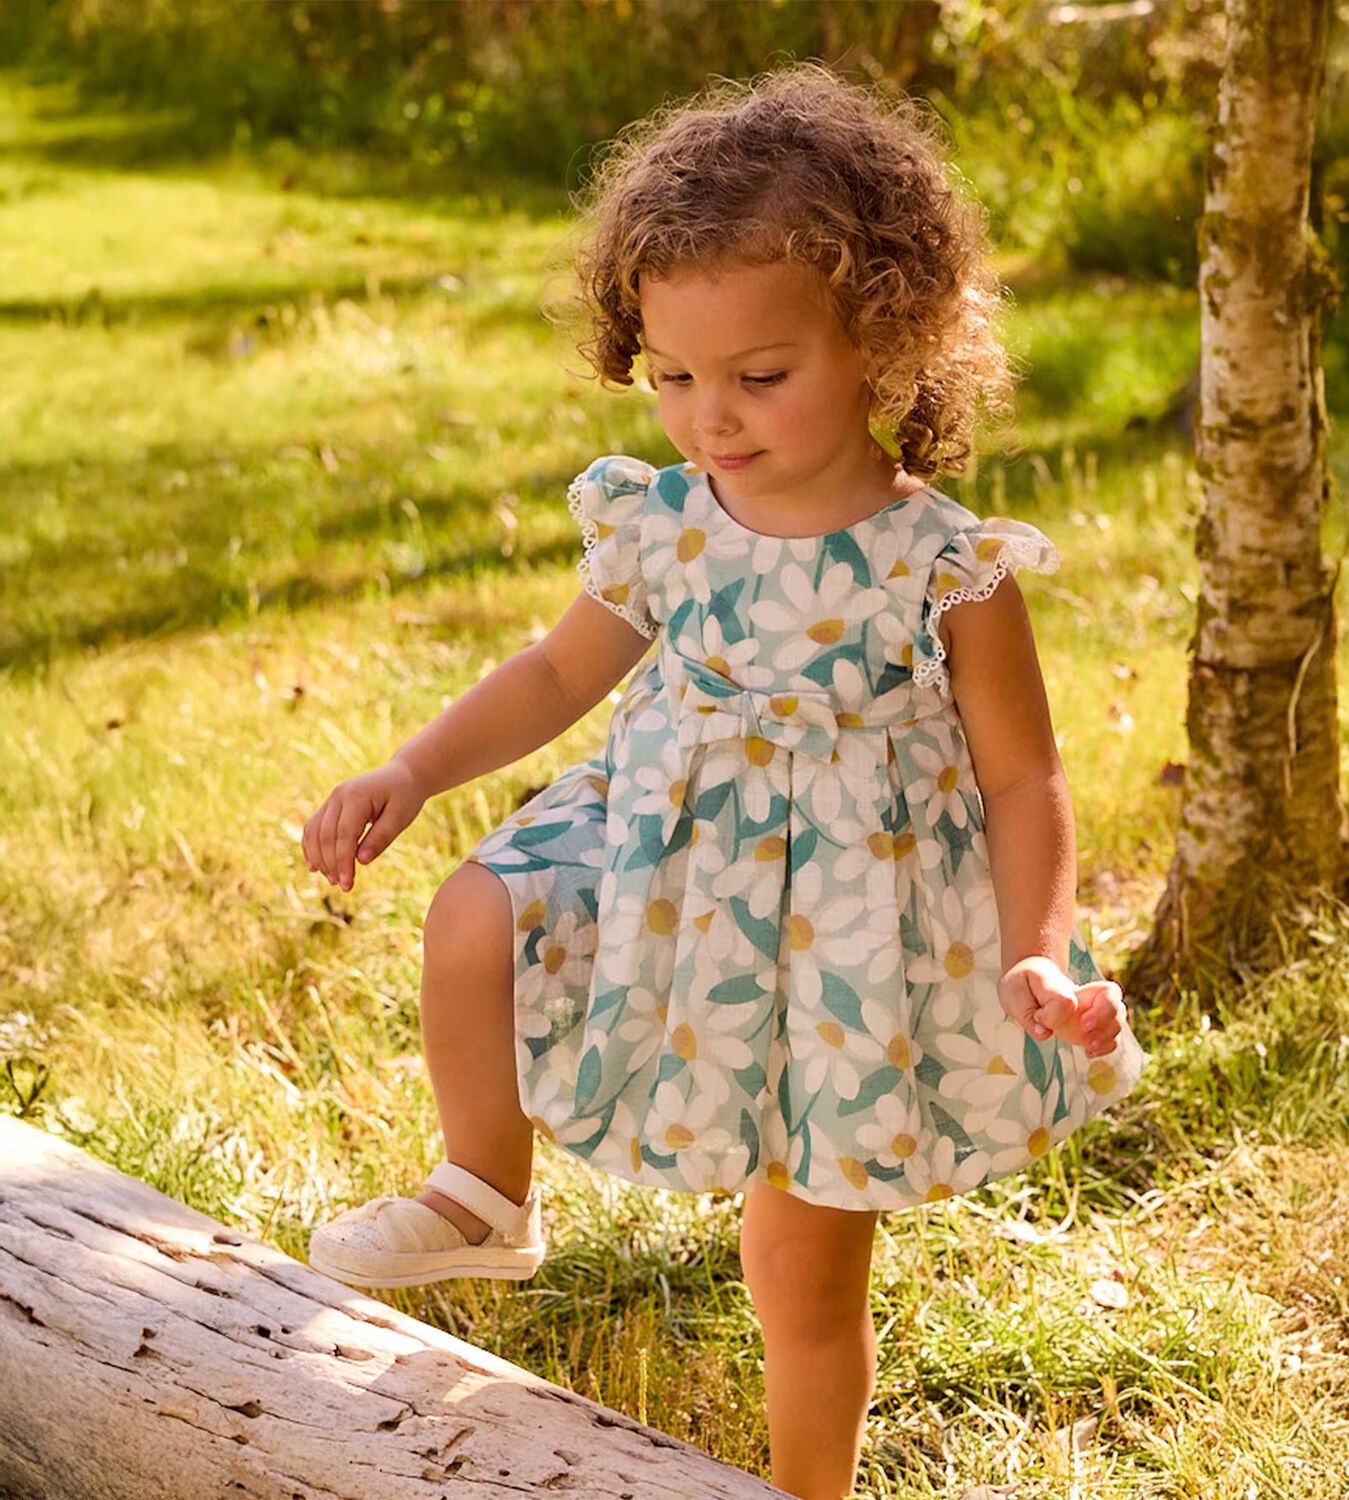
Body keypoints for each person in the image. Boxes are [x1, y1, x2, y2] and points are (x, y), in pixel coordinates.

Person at [301, 61, 1147, 1500]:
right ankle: (484, 1191)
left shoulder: (944, 563)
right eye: (674, 377)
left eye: (761, 376)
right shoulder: (665, 525)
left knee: (801, 1257)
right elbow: (559, 675)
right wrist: (416, 766)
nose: (711, 417)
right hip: (663, 853)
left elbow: (1025, 780)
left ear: (886, 340)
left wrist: (1036, 943)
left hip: (849, 934)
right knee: (472, 917)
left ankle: (808, 1486)